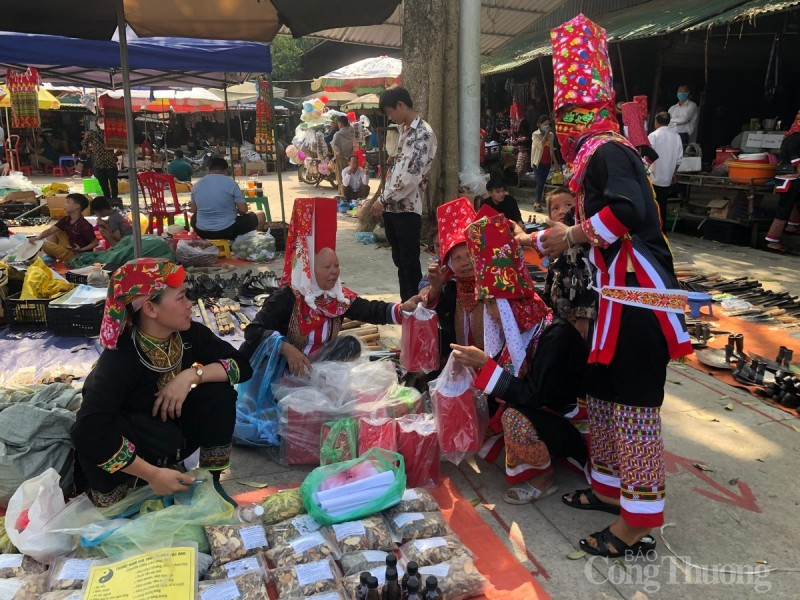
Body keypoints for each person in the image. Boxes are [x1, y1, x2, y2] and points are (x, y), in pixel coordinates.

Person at [531, 14, 691, 558]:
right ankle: (606, 488)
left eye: (566, 116)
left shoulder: (607, 150)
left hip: (639, 303)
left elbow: (628, 211)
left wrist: (570, 234)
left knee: (635, 410)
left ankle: (637, 524)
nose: (563, 127)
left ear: (581, 115)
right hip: (612, 304)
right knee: (600, 396)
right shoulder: (594, 157)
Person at [71, 259, 252, 506]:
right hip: (132, 451)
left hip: (168, 437)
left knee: (218, 392)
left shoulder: (188, 335)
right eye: (181, 298)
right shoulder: (120, 359)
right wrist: (152, 475)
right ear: (151, 309)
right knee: (102, 430)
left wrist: (190, 376)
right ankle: (133, 493)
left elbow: (242, 366)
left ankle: (212, 482)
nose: (190, 305)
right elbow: (87, 432)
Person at [450, 209, 588, 504]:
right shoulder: (525, 330)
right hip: (545, 410)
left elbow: (532, 395)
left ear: (513, 304)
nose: (489, 314)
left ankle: (543, 477)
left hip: (570, 419)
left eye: (492, 305)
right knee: (474, 396)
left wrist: (485, 367)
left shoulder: (555, 335)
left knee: (515, 418)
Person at [242, 198, 419, 374]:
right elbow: (253, 330)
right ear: (309, 271)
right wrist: (286, 349)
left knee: (351, 344)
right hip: (285, 369)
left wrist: (403, 309)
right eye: (327, 267)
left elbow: (370, 310)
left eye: (336, 266)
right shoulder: (289, 296)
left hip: (318, 367)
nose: (334, 271)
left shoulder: (338, 298)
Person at [372, 86, 438, 301]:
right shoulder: (403, 131)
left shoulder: (423, 133)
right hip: (392, 208)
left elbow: (411, 178)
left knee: (409, 264)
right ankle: (406, 304)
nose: (390, 117)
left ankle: (415, 304)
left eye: (391, 111)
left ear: (401, 105)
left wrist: (383, 199)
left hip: (407, 209)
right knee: (401, 262)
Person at [422, 198, 482, 358]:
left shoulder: (492, 287)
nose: (465, 263)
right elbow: (430, 313)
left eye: (469, 255)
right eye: (457, 258)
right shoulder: (452, 288)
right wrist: (434, 288)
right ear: (450, 263)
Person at [540, 187, 596, 341]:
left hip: (577, 315)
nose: (562, 211)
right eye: (555, 208)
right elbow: (551, 277)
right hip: (559, 313)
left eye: (568, 205)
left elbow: (588, 277)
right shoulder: (555, 245)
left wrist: (583, 316)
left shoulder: (582, 243)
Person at [190, 157, 263, 240]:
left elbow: (193, 210)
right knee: (260, 215)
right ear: (226, 170)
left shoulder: (196, 185)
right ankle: (247, 244)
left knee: (193, 218)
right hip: (227, 230)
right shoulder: (231, 183)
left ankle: (206, 243)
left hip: (202, 231)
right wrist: (236, 210)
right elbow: (243, 210)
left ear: (209, 169)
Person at [764, 109, 800, 254]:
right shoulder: (797, 137)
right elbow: (795, 158)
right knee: (784, 207)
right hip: (791, 178)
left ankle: (792, 226)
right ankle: (772, 240)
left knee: (795, 203)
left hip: (788, 177)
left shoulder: (790, 134)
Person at [32, 193, 97, 261]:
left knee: (44, 245)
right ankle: (52, 255)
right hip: (69, 246)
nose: (65, 205)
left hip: (77, 255)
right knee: (55, 229)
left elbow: (95, 242)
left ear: (77, 206)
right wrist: (37, 238)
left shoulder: (84, 225)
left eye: (68, 203)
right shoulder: (66, 219)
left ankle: (53, 254)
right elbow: (50, 231)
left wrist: (82, 249)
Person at [648, 112, 684, 232]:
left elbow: (647, 156)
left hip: (653, 175)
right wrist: (674, 173)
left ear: (656, 122)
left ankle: (652, 229)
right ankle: (661, 229)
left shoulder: (653, 135)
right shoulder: (676, 137)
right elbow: (679, 159)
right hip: (667, 176)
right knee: (662, 204)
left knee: (651, 204)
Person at [530, 115, 559, 210]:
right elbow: (540, 145)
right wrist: (546, 134)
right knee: (540, 182)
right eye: (545, 124)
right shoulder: (535, 134)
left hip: (547, 162)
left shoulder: (551, 135)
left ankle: (539, 201)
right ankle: (537, 203)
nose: (547, 126)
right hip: (537, 162)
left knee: (542, 183)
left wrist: (555, 163)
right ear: (539, 125)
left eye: (548, 124)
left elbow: (551, 150)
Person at [82, 127, 119, 199]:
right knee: (103, 183)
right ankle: (107, 198)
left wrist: (115, 154)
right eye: (100, 120)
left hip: (111, 163)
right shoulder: (93, 134)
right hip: (99, 163)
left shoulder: (112, 133)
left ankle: (115, 199)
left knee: (113, 183)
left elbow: (121, 144)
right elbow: (84, 143)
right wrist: (90, 153)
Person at [331, 115, 355, 196]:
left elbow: (333, 144)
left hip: (341, 158)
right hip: (350, 158)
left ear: (340, 123)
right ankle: (349, 194)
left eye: (338, 123)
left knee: (341, 177)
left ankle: (342, 195)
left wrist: (338, 153)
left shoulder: (338, 134)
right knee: (349, 175)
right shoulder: (352, 131)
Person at [514, 119, 532, 188]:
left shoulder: (521, 137)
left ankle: (519, 184)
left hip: (521, 164)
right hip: (520, 163)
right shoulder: (528, 136)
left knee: (519, 174)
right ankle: (521, 183)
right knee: (519, 174)